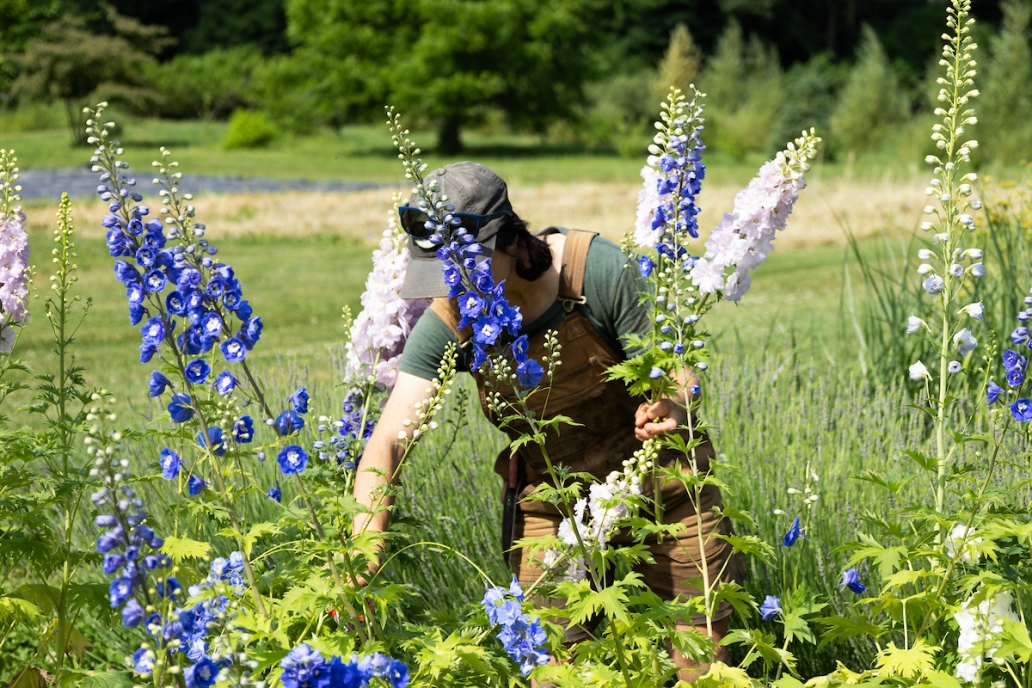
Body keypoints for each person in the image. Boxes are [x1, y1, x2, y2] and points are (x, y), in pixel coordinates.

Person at [352, 161, 743, 681]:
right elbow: (388, 444)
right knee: (551, 670)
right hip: (553, 510)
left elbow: (678, 374)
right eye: (441, 271)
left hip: (666, 493)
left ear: (511, 241)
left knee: (702, 664)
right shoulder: (452, 317)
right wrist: (364, 547)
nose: (452, 287)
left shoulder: (597, 272)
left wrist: (673, 404)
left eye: (465, 268)